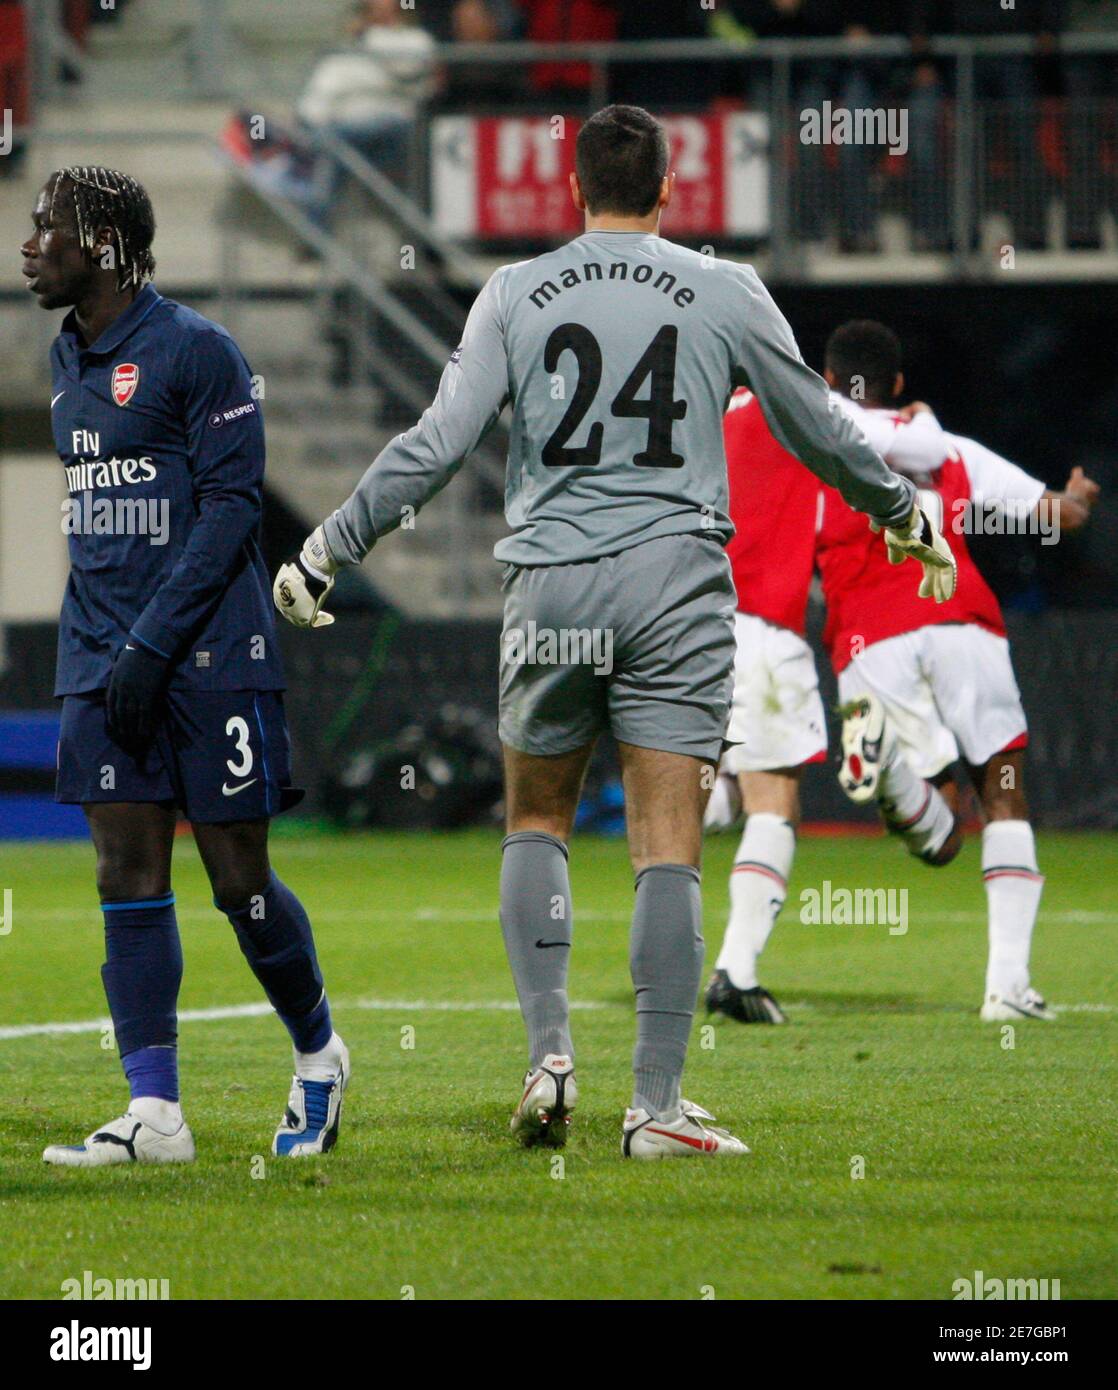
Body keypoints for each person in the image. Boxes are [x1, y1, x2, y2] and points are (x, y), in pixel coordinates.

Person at [274, 106, 946, 1159]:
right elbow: (816, 426)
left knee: (534, 818)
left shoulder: (514, 290)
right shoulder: (724, 288)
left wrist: (326, 547)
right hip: (675, 583)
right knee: (665, 840)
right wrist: (902, 514)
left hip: (549, 584)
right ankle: (655, 1106)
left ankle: (548, 1056)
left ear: (572, 192)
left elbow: (439, 442)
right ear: (669, 189)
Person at [22, 167, 348, 1165]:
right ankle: (155, 1113)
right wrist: (109, 647)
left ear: (106, 242)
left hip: (208, 655)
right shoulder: (63, 357)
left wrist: (153, 641)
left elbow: (233, 509)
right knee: (123, 869)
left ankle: (320, 1054)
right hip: (100, 658)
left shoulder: (200, 352)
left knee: (238, 881)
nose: (30, 246)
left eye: (48, 229)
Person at [818, 320, 1099, 1019]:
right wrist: (1080, 499)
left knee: (939, 836)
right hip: (961, 625)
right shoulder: (954, 453)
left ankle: (890, 773)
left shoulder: (814, 449)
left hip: (870, 641)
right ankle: (1007, 988)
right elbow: (1056, 518)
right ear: (900, 386)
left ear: (827, 383)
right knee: (1002, 789)